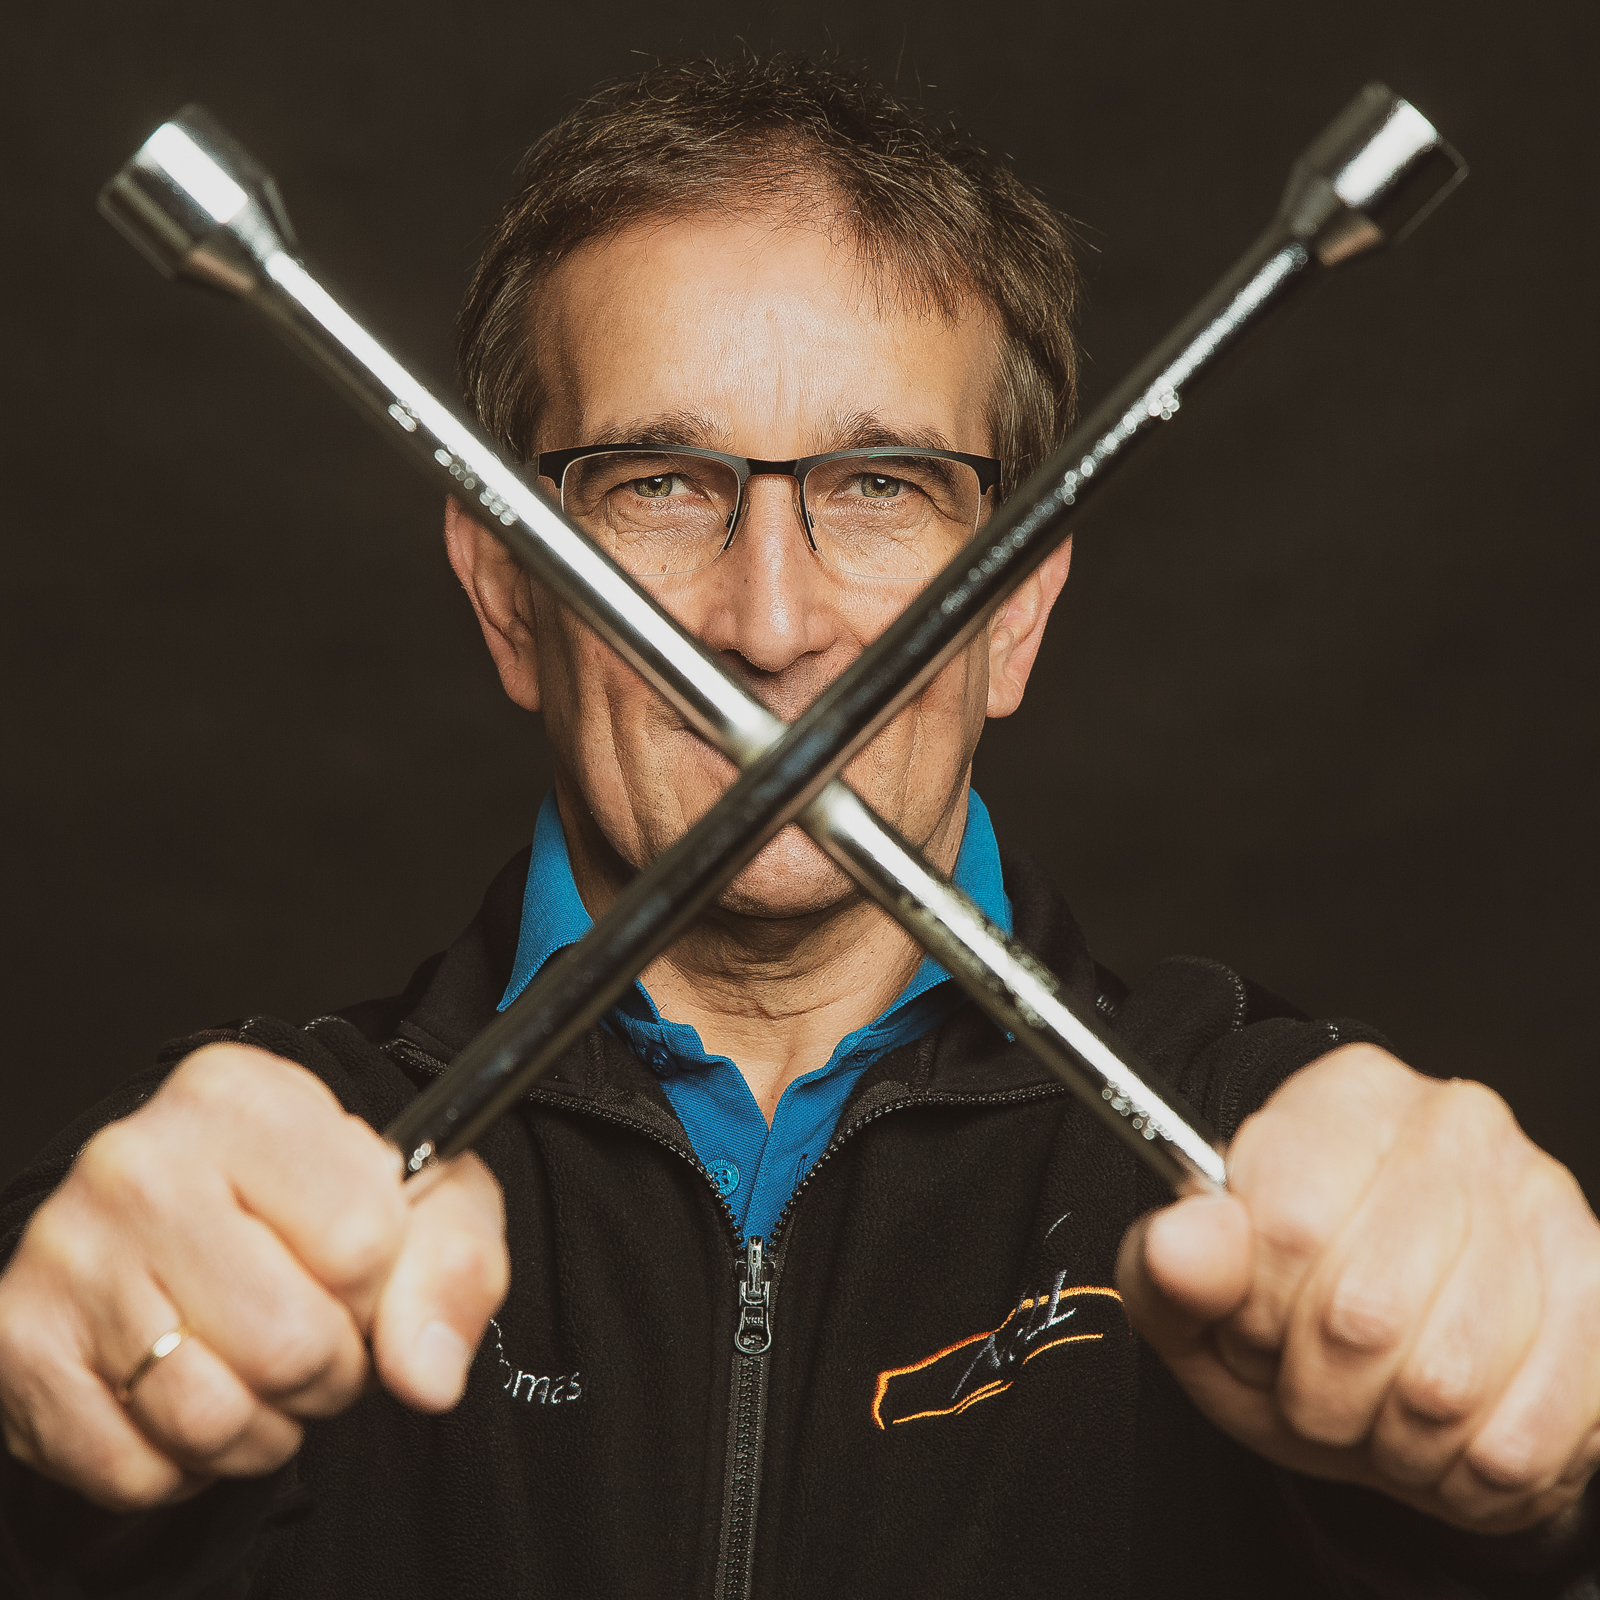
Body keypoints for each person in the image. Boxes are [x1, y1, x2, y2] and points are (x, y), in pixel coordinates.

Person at [2, 55, 1596, 1600]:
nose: (768, 627)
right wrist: (62, 1461)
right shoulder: (245, 1190)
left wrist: (1530, 1488)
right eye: (658, 483)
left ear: (1016, 617)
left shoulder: (1278, 1169)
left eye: (883, 484)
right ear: (505, 599)